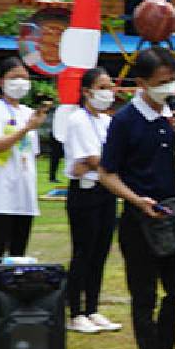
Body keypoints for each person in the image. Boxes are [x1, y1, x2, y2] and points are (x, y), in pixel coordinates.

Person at [98, 47, 175, 349]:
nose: (168, 87)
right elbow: (107, 174)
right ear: (141, 83)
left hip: (174, 216)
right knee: (144, 293)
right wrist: (136, 200)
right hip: (138, 218)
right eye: (161, 82)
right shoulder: (125, 121)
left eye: (173, 80)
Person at [62, 67, 121, 334]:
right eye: (102, 87)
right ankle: (75, 311)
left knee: (100, 251)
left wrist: (103, 165)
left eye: (110, 86)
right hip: (85, 192)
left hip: (106, 189)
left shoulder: (107, 122)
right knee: (83, 251)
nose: (108, 92)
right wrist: (101, 164)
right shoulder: (77, 120)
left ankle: (92, 308)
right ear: (87, 91)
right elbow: (91, 159)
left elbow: (112, 157)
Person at [0, 57, 47, 260]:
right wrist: (26, 128)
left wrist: (31, 125)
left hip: (24, 192)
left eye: (24, 78)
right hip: (1, 192)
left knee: (19, 253)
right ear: (1, 82)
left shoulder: (28, 112)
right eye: (14, 77)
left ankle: (15, 291)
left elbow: (31, 152)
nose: (20, 82)